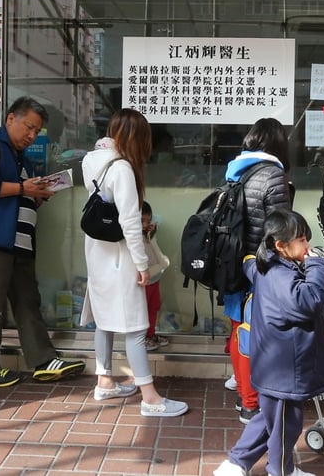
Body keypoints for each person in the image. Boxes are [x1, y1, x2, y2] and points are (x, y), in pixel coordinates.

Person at [0, 96, 85, 386]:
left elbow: (18, 196)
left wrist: (36, 196)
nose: (32, 135)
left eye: (37, 131)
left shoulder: (20, 159)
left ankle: (43, 360)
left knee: (28, 302)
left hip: (19, 242)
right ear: (10, 119)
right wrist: (24, 187)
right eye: (29, 127)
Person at [214, 209, 324, 476]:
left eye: (307, 238)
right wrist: (319, 266)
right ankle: (281, 471)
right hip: (284, 368)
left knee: (268, 419)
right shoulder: (280, 275)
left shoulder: (269, 266)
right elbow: (309, 301)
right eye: (302, 240)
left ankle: (235, 465)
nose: (307, 246)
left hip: (276, 365)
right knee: (286, 425)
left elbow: (252, 266)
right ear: (281, 245)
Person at [80, 108, 188, 417]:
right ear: (136, 138)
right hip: (121, 258)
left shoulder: (92, 160)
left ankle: (104, 380)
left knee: (104, 320)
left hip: (97, 254)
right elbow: (130, 222)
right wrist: (143, 264)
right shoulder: (123, 168)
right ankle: (150, 398)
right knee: (136, 327)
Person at [224, 117, 292, 424]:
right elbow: (281, 229)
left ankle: (241, 386)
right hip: (258, 266)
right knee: (250, 335)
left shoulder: (236, 170)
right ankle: (249, 404)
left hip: (231, 262)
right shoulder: (273, 175)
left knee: (239, 328)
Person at [141, 201, 170, 351]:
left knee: (153, 308)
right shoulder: (132, 241)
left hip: (154, 280)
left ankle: (151, 334)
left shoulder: (149, 236)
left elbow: (159, 257)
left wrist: (150, 238)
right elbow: (162, 263)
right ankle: (143, 338)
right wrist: (162, 265)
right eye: (141, 221)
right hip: (144, 282)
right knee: (142, 311)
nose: (146, 224)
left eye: (148, 220)